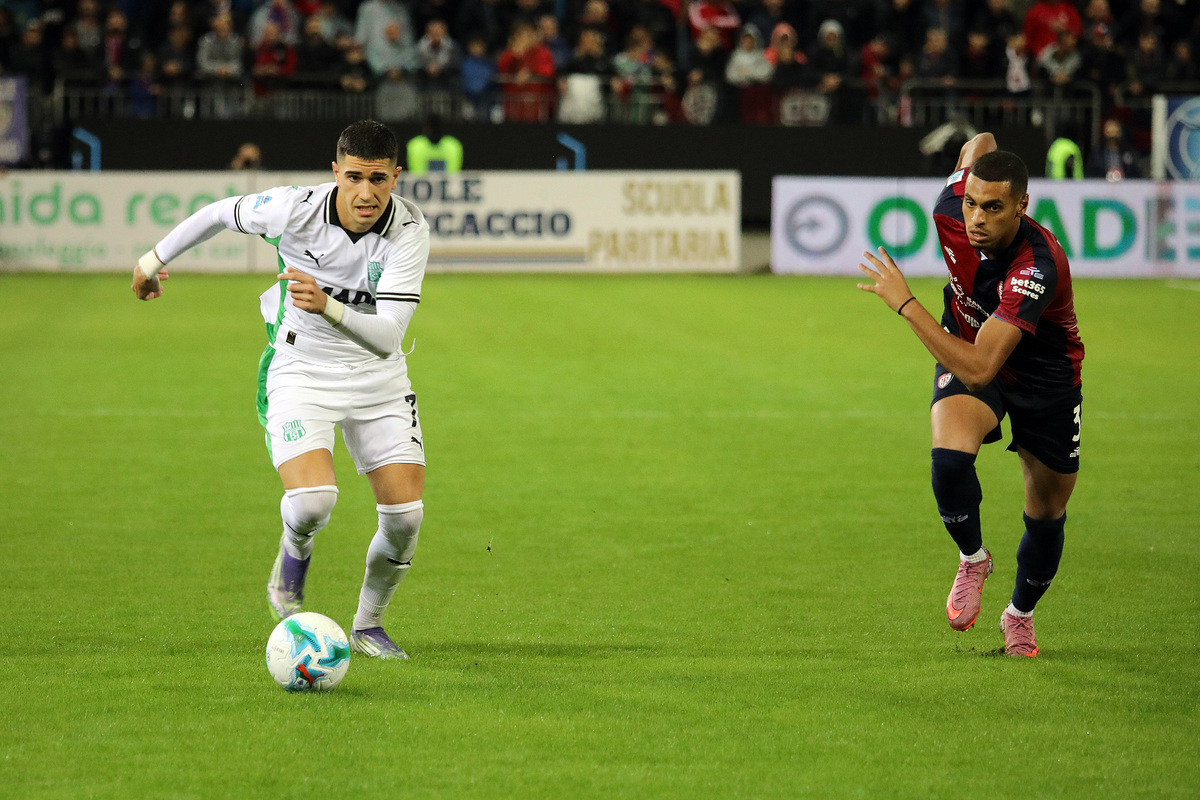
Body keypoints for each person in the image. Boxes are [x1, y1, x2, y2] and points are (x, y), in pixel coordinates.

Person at [131, 120, 431, 661]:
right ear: (336, 172)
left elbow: (388, 338)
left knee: (407, 517)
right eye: (356, 177)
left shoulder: (409, 229)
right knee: (314, 502)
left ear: (396, 177)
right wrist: (152, 262)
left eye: (380, 180)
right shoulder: (293, 208)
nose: (367, 193)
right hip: (301, 368)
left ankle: (368, 625)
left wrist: (328, 305)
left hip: (378, 380)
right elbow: (220, 212)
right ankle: (293, 556)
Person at [856, 133, 1085, 658]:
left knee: (1046, 512)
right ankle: (974, 557)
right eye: (971, 203)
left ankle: (1019, 615)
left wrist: (906, 304)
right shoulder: (950, 207)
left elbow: (984, 369)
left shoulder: (1037, 265)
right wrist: (978, 152)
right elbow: (979, 142)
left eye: (993, 207)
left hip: (1044, 382)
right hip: (967, 347)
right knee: (949, 459)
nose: (977, 218)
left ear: (1022, 206)